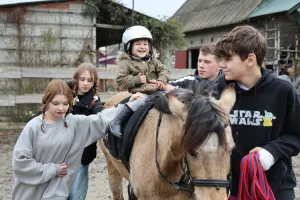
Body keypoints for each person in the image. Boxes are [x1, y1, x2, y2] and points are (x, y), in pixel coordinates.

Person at [11, 79, 146, 200]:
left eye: (65, 104)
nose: (60, 108)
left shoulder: (73, 124)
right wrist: (53, 170)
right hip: (29, 193)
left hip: (56, 194)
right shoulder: (33, 127)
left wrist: (130, 105)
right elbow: (20, 163)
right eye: (55, 103)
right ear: (46, 101)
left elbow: (101, 119)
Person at [214, 25, 300, 200]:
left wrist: (271, 152)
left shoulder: (283, 91)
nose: (222, 65)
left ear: (250, 59)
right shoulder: (219, 88)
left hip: (274, 188)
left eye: (228, 59)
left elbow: (296, 135)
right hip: (231, 188)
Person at [67, 63, 103, 200]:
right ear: (76, 78)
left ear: (94, 82)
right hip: (62, 154)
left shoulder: (94, 100)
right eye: (82, 79)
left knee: (77, 195)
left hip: (82, 154)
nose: (85, 83)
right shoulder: (65, 93)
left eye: (90, 80)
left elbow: (100, 112)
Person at [116, 25, 171, 94]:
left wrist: (162, 80)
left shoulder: (153, 61)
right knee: (137, 103)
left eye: (145, 44)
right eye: (138, 44)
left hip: (157, 92)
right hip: (139, 94)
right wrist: (136, 80)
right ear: (129, 47)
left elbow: (164, 70)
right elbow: (120, 80)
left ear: (149, 47)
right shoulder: (125, 62)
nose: (142, 47)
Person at [158, 44, 222, 91]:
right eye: (199, 61)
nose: (201, 65)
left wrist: (177, 90)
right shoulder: (188, 80)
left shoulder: (227, 84)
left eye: (207, 62)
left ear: (219, 65)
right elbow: (164, 85)